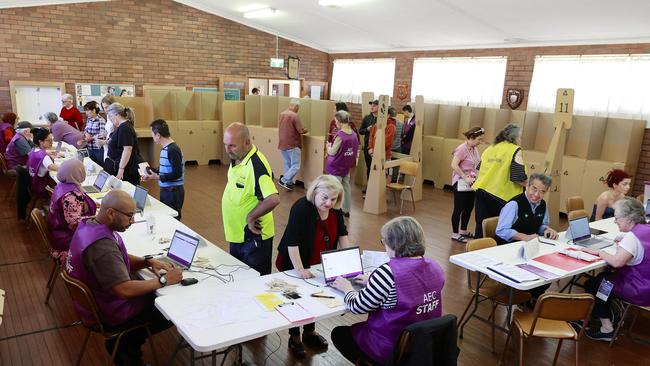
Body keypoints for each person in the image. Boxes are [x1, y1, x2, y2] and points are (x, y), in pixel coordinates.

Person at [65, 190, 182, 365]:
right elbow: (124, 290)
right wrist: (164, 280)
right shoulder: (102, 247)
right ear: (111, 213)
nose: (133, 221)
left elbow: (119, 257)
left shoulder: (88, 225)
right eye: (129, 216)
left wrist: (148, 262)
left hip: (94, 304)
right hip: (110, 313)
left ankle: (125, 346)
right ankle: (124, 343)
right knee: (170, 309)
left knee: (153, 290)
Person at [331, 216, 445, 365]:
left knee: (339, 334)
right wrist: (375, 282)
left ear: (394, 243)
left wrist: (347, 288)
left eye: (384, 241)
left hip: (389, 347)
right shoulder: (435, 267)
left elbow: (357, 306)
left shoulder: (387, 273)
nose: (384, 245)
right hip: (422, 345)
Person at [276, 175, 350, 359]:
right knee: (296, 298)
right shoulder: (301, 208)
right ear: (315, 192)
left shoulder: (336, 210)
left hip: (318, 262)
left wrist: (349, 260)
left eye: (333, 199)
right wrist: (300, 270)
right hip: (294, 261)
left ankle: (309, 332)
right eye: (325, 197)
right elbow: (292, 243)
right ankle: (294, 336)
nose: (329, 203)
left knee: (315, 297)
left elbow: (342, 236)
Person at [582, 197, 650, 341]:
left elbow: (616, 262)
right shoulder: (646, 229)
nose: (615, 221)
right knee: (605, 277)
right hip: (645, 282)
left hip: (639, 290)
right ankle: (610, 313)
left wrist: (600, 252)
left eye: (617, 218)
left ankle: (606, 327)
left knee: (597, 283)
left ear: (629, 219)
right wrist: (625, 240)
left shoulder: (632, 239)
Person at [222, 122, 280, 275]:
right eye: (225, 145)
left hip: (253, 239)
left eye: (232, 146)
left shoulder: (256, 165)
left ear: (247, 142)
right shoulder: (237, 156)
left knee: (255, 285)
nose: (227, 150)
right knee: (240, 280)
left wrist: (251, 216)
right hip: (237, 234)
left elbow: (273, 199)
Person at [472, 123, 527, 238]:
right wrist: (531, 184)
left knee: (481, 225)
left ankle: (476, 250)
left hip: (481, 191)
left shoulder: (490, 148)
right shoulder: (515, 150)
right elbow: (518, 178)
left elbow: (479, 169)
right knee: (500, 228)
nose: (520, 139)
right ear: (514, 137)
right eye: (520, 137)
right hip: (501, 195)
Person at [495, 173, 559, 245]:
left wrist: (546, 230)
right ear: (527, 186)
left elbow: (540, 225)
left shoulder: (543, 204)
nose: (536, 195)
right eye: (534, 189)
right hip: (508, 246)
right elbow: (501, 231)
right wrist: (524, 237)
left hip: (530, 246)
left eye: (542, 192)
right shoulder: (514, 204)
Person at [48, 159, 97, 252]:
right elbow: (74, 225)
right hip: (66, 237)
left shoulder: (61, 185)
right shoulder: (72, 196)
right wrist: (97, 219)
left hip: (57, 230)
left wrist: (86, 205)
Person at [142, 119, 185, 220]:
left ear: (158, 135)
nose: (152, 137)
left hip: (173, 192)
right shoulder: (166, 148)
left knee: (173, 219)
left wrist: (157, 177)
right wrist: (152, 172)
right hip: (167, 190)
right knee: (167, 217)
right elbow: (166, 168)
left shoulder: (173, 150)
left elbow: (177, 173)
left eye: (152, 134)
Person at [450, 127, 485, 243]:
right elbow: (454, 165)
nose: (480, 142)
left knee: (469, 208)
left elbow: (476, 165)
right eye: (479, 139)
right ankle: (455, 234)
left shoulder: (474, 149)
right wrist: (465, 177)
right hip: (460, 182)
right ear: (471, 138)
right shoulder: (462, 149)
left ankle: (463, 231)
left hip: (471, 183)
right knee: (458, 208)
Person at [325, 111, 359, 217]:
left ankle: (332, 210)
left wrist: (327, 147)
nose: (335, 124)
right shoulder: (353, 134)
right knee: (346, 188)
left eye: (335, 121)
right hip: (346, 166)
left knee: (334, 189)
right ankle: (346, 209)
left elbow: (332, 152)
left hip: (336, 167)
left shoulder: (340, 135)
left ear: (339, 121)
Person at [105, 103, 142, 186]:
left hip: (127, 170)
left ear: (116, 114)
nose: (110, 120)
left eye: (110, 117)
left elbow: (127, 149)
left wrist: (121, 169)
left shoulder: (125, 128)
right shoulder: (122, 127)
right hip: (121, 166)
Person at [277, 98, 307, 191]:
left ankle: (288, 183)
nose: (298, 109)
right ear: (296, 106)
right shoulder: (294, 116)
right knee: (295, 165)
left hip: (282, 143)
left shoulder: (282, 114)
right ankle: (284, 179)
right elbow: (301, 130)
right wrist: (306, 130)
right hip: (292, 144)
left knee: (287, 164)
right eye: (298, 107)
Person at [27, 128, 58, 198]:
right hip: (41, 187)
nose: (52, 142)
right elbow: (54, 167)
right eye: (49, 140)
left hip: (33, 184)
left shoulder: (33, 150)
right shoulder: (44, 157)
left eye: (52, 139)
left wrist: (47, 153)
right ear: (41, 142)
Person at [83, 101, 107, 165]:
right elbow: (85, 129)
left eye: (87, 110)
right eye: (85, 110)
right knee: (92, 165)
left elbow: (102, 134)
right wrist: (86, 134)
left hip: (98, 149)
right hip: (90, 147)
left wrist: (91, 138)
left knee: (101, 166)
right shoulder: (89, 119)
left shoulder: (101, 120)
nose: (86, 112)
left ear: (93, 110)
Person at [359, 100, 378, 181]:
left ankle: (376, 187)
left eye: (374, 105)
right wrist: (367, 129)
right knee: (369, 167)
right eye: (371, 105)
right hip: (367, 147)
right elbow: (360, 131)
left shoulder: (382, 119)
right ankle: (368, 187)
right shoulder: (367, 118)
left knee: (377, 168)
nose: (372, 107)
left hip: (378, 146)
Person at [99, 95, 117, 165]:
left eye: (107, 107)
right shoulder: (108, 115)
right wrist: (105, 134)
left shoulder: (116, 117)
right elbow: (110, 131)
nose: (105, 110)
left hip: (113, 149)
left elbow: (116, 138)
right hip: (107, 147)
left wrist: (104, 142)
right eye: (103, 108)